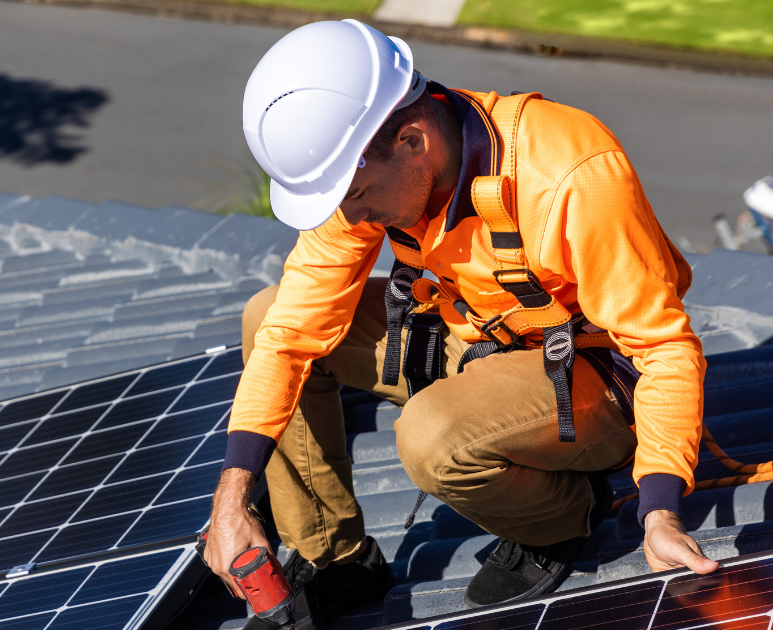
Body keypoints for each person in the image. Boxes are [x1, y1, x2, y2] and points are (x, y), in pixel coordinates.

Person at [202, 19, 718, 630]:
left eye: (358, 193)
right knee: (267, 315)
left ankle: (561, 518)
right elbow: (288, 334)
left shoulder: (571, 173)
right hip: (482, 338)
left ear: (414, 141)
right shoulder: (367, 175)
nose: (351, 215)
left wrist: (659, 511)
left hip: (597, 375)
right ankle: (337, 557)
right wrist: (232, 496)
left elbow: (661, 350)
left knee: (430, 436)